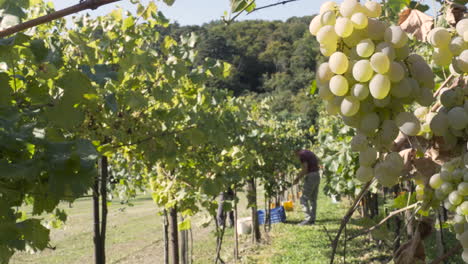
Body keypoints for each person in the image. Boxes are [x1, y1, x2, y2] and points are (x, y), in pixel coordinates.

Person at [293, 149, 320, 225]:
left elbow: (305, 168)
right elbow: (317, 161)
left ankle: (307, 219)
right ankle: (312, 220)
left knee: (303, 199)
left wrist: (297, 178)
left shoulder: (302, 155)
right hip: (317, 174)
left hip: (311, 176)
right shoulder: (308, 152)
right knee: (313, 199)